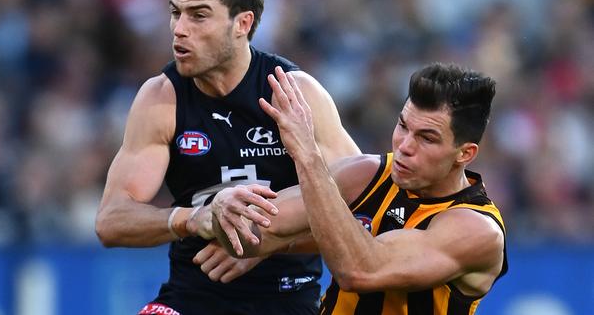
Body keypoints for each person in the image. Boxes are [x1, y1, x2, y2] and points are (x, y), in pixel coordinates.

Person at [94, 0, 360, 314]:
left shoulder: (296, 94)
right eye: (175, 13)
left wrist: (268, 244)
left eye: (199, 16)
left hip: (287, 300)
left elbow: (363, 214)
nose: (179, 29)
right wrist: (191, 218)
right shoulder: (161, 98)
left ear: (243, 23)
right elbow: (110, 221)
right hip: (192, 299)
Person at [209, 63, 508, 314]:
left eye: (427, 138)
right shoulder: (366, 174)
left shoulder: (476, 230)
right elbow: (252, 233)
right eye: (403, 126)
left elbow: (361, 271)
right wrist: (224, 209)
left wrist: (307, 155)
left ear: (464, 154)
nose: (404, 146)